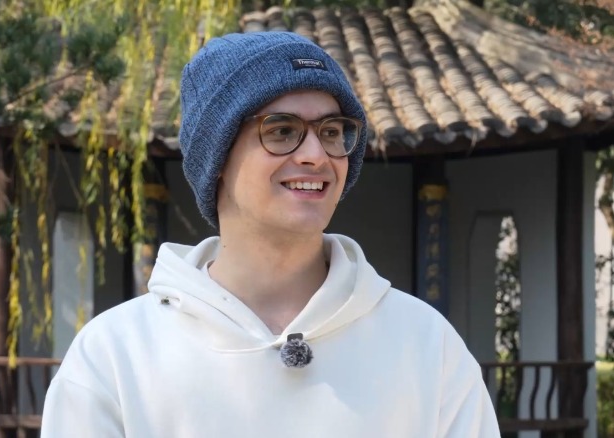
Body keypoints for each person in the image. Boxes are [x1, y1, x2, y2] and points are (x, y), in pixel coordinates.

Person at [42, 31, 500, 437]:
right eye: (281, 131)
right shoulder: (116, 355)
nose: (316, 155)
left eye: (332, 131)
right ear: (217, 159)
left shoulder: (425, 344)